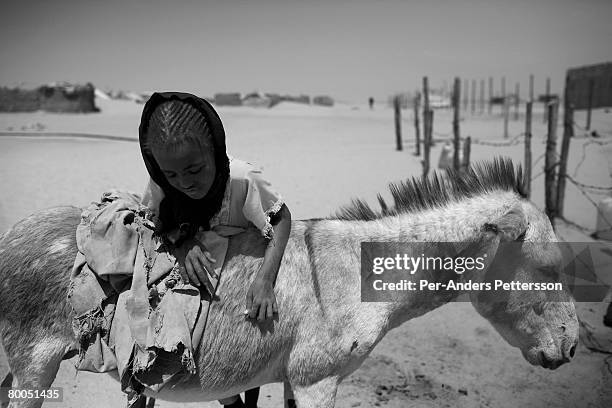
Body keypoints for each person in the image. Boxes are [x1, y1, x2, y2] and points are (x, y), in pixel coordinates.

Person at [139, 92, 292, 408]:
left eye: (195, 170)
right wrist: (183, 242)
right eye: (172, 174)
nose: (184, 182)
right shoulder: (160, 183)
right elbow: (152, 223)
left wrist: (265, 279)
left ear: (215, 150)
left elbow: (281, 218)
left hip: (240, 272)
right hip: (202, 271)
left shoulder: (241, 178)